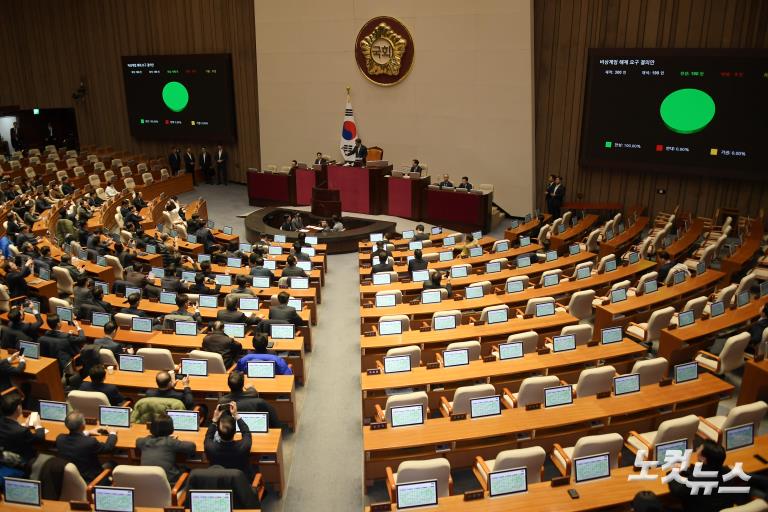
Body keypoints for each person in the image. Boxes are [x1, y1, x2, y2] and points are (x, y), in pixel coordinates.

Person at [668, 440, 749, 511]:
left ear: (703, 459)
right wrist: (687, 469)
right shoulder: (728, 472)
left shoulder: (696, 480)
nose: (697, 449)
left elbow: (677, 491)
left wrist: (673, 472)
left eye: (699, 449)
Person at [55, 411, 117, 482]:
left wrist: (88, 432)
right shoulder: (90, 442)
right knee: (112, 463)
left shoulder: (60, 439)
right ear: (83, 426)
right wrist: (113, 433)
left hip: (71, 479)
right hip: (92, 480)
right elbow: (108, 448)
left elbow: (76, 438)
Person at [136, 413, 196, 484]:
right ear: (171, 428)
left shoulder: (143, 441)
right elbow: (192, 447)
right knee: (188, 469)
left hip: (146, 481)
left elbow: (137, 441)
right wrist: (174, 440)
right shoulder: (170, 442)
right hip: (169, 483)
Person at [204, 402, 255, 479]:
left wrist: (215, 419)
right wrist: (236, 415)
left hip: (219, 482)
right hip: (241, 482)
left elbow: (208, 436)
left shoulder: (210, 447)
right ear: (235, 431)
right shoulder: (244, 446)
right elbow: (246, 433)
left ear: (217, 432)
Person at [0, 392, 45, 466]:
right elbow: (39, 439)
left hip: (3, 457)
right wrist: (38, 426)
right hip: (20, 461)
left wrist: (25, 427)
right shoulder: (22, 431)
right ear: (18, 408)